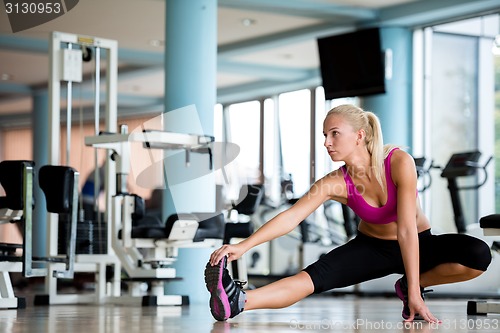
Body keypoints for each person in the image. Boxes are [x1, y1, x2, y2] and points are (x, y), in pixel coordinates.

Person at [204, 104, 491, 323]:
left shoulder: (399, 162)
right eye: (325, 135)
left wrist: (415, 291)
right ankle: (238, 300)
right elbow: (292, 216)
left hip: (418, 241)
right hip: (371, 249)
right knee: (311, 279)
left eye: (334, 134)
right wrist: (244, 246)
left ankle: (407, 285)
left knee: (478, 254)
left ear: (359, 136)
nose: (327, 142)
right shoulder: (334, 182)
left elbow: (406, 231)